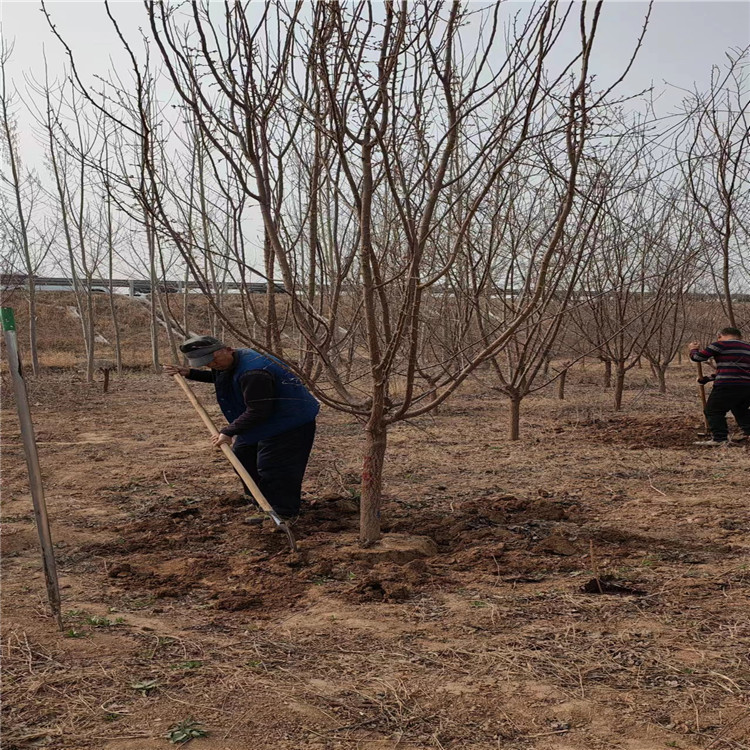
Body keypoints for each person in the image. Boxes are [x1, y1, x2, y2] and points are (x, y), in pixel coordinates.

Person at [164, 335, 319, 520]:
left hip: (290, 421)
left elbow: (259, 411)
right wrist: (189, 373)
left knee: (275, 468)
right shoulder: (232, 361)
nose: (211, 365)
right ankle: (264, 502)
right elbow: (222, 376)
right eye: (206, 363)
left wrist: (228, 431)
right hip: (266, 419)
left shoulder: (254, 372)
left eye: (213, 359)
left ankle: (284, 513)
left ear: (228, 349)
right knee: (244, 456)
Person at [688, 326, 750, 446]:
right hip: (747, 387)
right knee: (740, 409)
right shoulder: (748, 347)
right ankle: (748, 432)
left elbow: (698, 357)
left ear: (720, 335)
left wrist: (693, 349)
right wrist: (707, 379)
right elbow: (734, 370)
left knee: (713, 410)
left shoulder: (720, 345)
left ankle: (720, 439)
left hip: (727, 386)